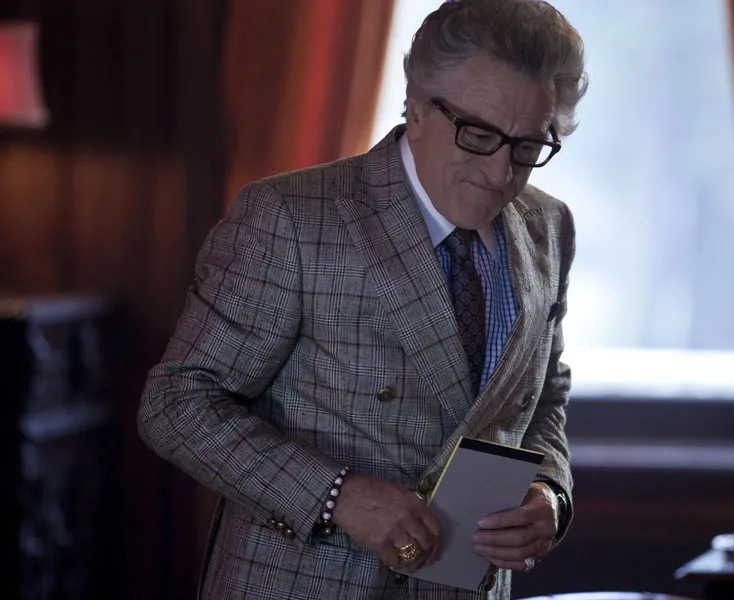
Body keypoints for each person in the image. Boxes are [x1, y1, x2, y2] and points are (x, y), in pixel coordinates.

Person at [137, 0, 588, 598]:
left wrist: (550, 493)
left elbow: (543, 396)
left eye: (529, 146)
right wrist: (337, 496)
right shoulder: (291, 216)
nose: (501, 172)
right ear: (417, 108)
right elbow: (175, 405)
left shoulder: (549, 227)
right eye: (479, 135)